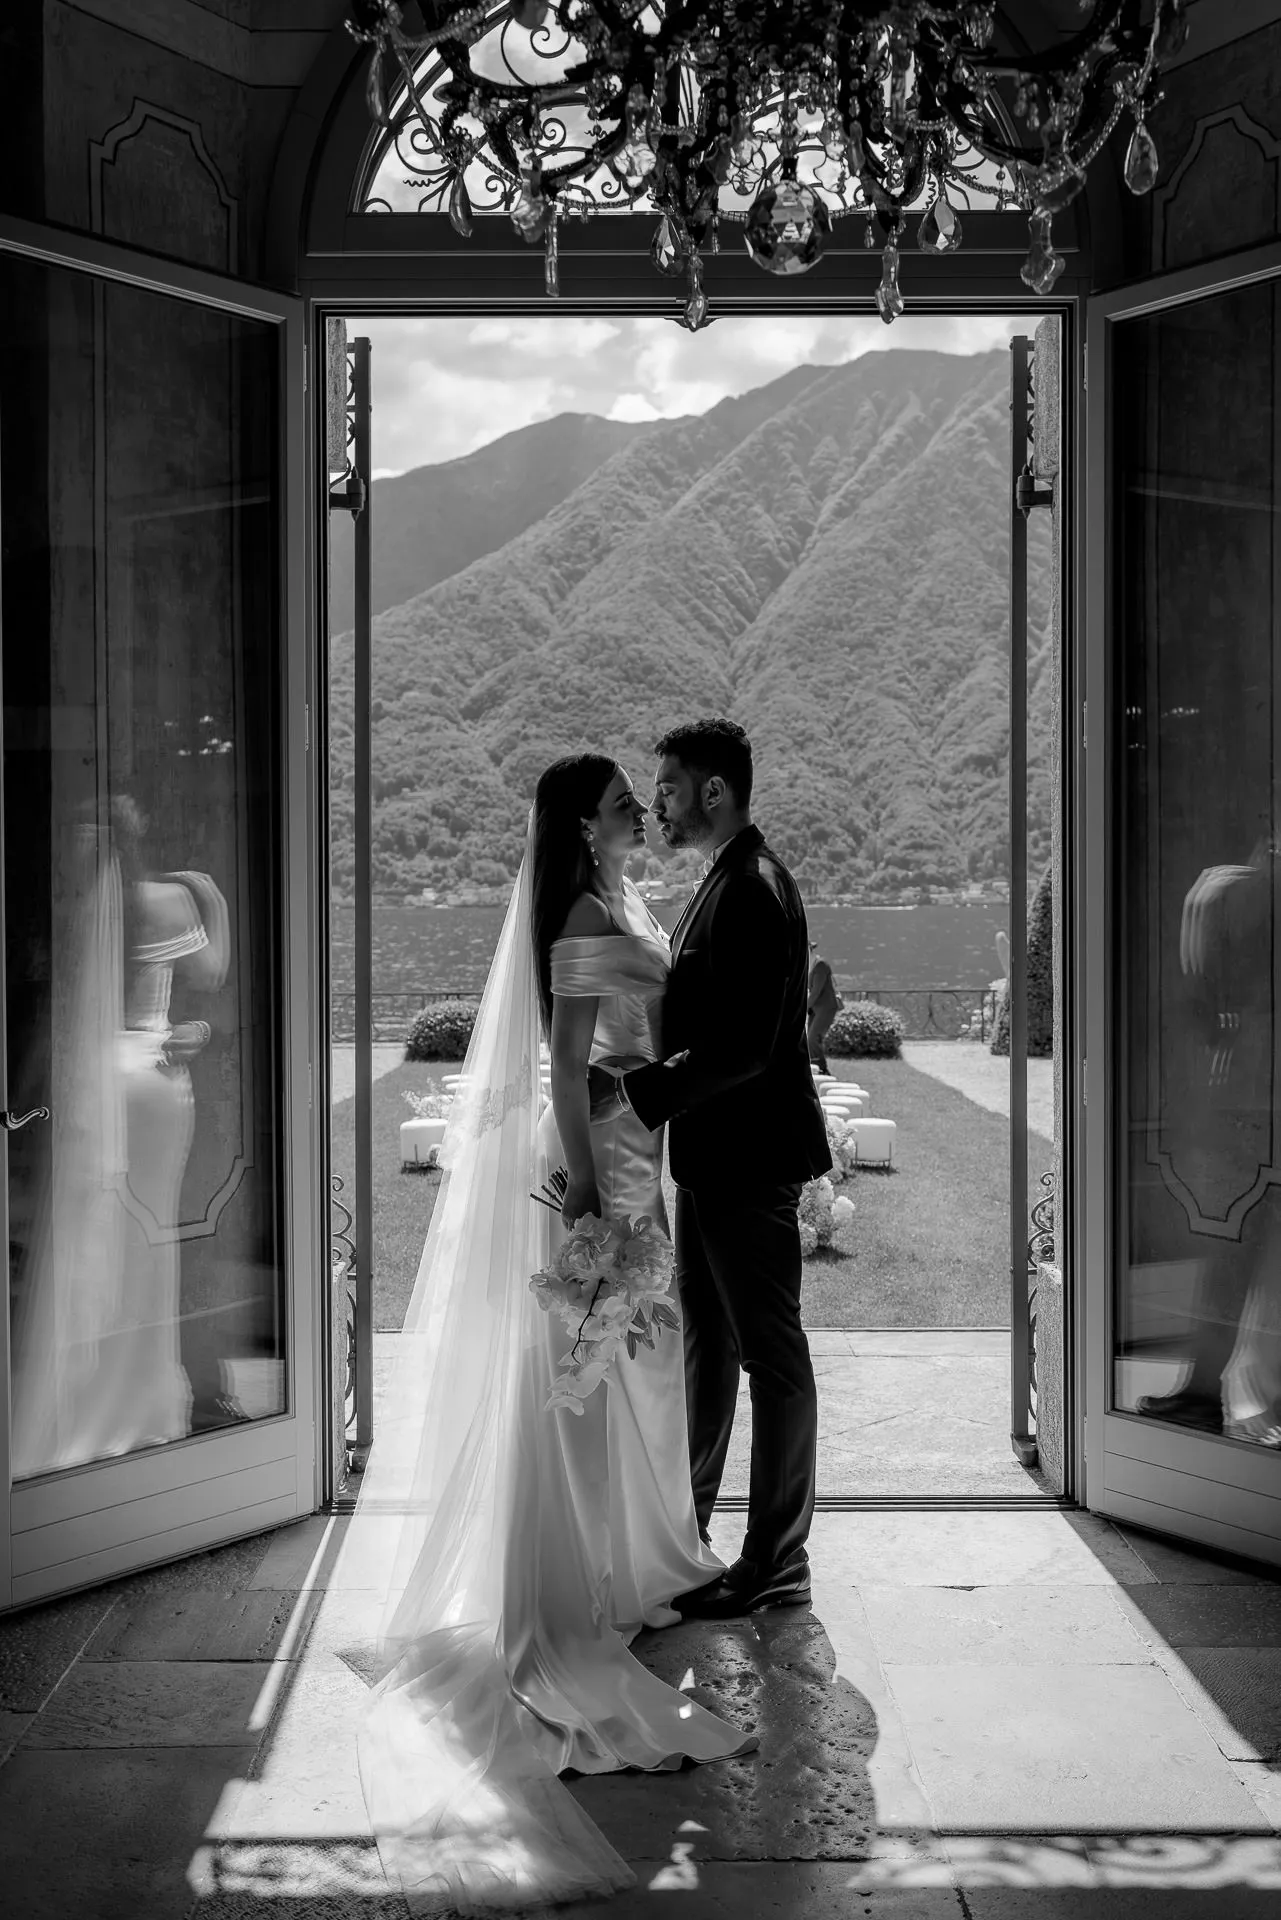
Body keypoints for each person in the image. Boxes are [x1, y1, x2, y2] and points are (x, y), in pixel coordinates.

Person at [357, 753, 754, 1915]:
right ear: (585, 825)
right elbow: (567, 1062)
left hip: (636, 1156)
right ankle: (572, 1590)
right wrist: (588, 1193)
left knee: (628, 1373)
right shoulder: (585, 909)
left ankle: (628, 1563)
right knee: (588, 1376)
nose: (644, 812)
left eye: (646, 801)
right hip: (603, 1168)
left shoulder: (620, 900)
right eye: (629, 803)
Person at [595, 718, 832, 1618]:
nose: (655, 803)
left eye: (665, 788)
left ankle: (776, 1558)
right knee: (709, 1347)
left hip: (746, 1160)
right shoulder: (725, 880)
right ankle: (686, 1528)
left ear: (714, 792)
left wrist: (632, 1095)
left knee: (769, 1355)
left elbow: (738, 1048)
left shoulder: (755, 890)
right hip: (711, 1160)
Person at [807, 939, 842, 1073]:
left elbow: (816, 991)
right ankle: (815, 1067)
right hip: (815, 1009)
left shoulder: (820, 965)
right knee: (809, 1039)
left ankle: (821, 1068)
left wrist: (803, 1008)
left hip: (826, 1008)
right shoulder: (810, 966)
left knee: (813, 1037)